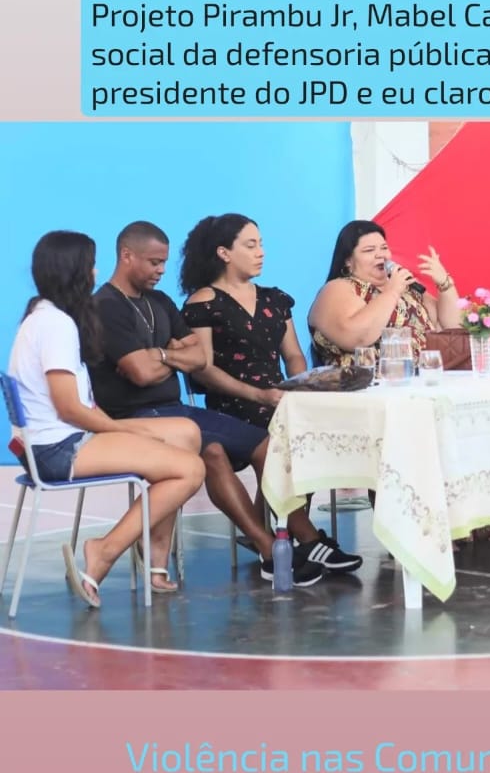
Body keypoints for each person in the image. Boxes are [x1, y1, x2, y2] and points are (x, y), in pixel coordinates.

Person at [91, 221, 324, 586]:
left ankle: (293, 538)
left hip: (176, 411)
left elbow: (200, 357)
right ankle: (270, 548)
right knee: (212, 452)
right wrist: (172, 356)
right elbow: (140, 373)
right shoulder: (106, 306)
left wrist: (161, 356)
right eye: (153, 262)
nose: (161, 270)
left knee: (268, 445)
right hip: (133, 417)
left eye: (164, 262)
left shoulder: (159, 302)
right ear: (126, 256)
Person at [7, 231, 205, 607]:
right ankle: (104, 551)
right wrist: (121, 430)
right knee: (190, 470)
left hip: (60, 439)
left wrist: (125, 429)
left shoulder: (45, 317)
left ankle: (156, 559)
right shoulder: (55, 325)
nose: (95, 273)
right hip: (58, 450)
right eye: (90, 266)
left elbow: (80, 403)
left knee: (186, 432)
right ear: (73, 272)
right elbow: (69, 409)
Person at [178, 213, 363, 576]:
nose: (261, 252)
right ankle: (307, 539)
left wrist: (302, 386)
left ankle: (283, 533)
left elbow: (293, 355)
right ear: (224, 253)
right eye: (251, 245)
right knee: (285, 437)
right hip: (232, 405)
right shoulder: (204, 302)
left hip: (278, 399)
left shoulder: (275, 299)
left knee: (309, 429)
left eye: (261, 244)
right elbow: (203, 368)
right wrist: (257, 394)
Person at [308, 219, 461, 368]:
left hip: (418, 380)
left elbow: (452, 327)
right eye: (369, 250)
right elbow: (357, 337)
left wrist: (445, 284)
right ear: (348, 260)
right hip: (360, 382)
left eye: (384, 248)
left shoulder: (406, 288)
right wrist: (392, 292)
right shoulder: (338, 288)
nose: (381, 255)